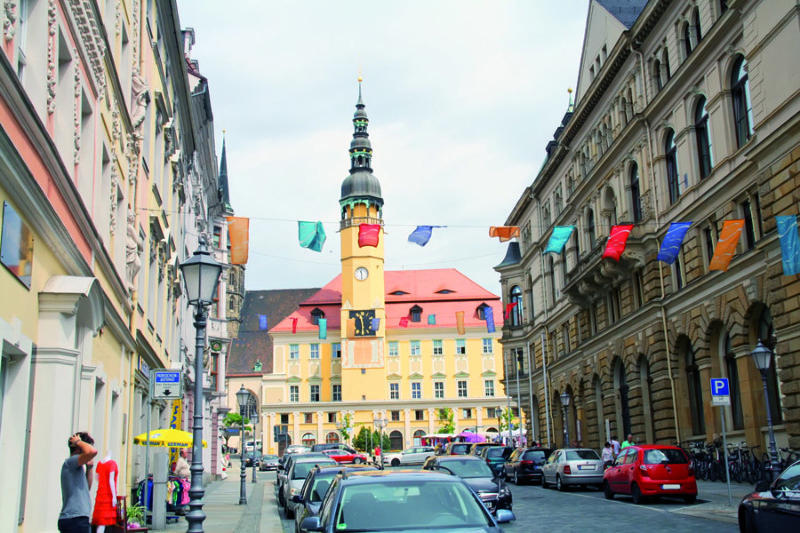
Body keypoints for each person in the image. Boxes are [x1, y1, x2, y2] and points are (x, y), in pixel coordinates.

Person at [59, 432, 98, 533]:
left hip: (79, 519)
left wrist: (89, 468)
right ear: (77, 448)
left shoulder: (78, 468)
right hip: (74, 519)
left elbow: (86, 488)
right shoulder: (70, 462)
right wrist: (78, 442)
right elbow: (93, 452)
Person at [91, 451, 118, 533]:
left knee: (101, 521)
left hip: (101, 493)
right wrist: (114, 496)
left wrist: (102, 483)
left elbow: (97, 477)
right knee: (103, 522)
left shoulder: (100, 463)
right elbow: (111, 479)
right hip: (108, 494)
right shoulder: (112, 464)